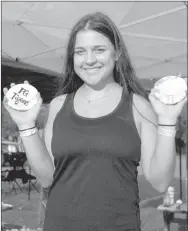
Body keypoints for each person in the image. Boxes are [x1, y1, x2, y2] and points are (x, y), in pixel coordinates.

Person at [3, 12, 187, 231]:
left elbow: (160, 182)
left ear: (117, 53)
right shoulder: (58, 105)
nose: (89, 60)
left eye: (99, 50)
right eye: (80, 52)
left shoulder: (138, 106)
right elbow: (46, 177)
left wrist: (167, 121)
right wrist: (26, 125)